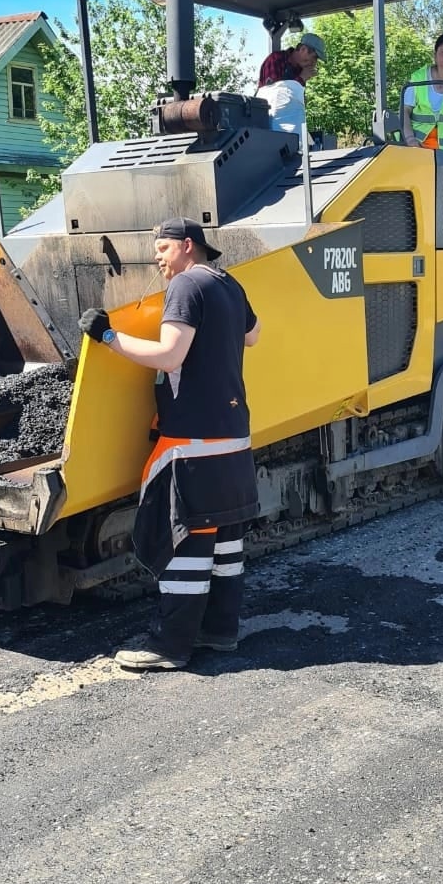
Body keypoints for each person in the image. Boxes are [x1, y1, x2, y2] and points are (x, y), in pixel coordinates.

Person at [79, 216, 261, 671]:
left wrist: (107, 336)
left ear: (185, 246)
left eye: (160, 249)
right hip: (232, 439)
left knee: (186, 545)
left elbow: (169, 355)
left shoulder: (185, 287)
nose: (157, 257)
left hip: (193, 442)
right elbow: (254, 336)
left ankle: (169, 646)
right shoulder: (228, 284)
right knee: (224, 546)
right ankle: (220, 632)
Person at [258, 32, 326, 88]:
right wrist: (301, 78)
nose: (314, 63)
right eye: (314, 57)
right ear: (303, 49)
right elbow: (274, 94)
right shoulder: (276, 59)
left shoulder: (299, 69)